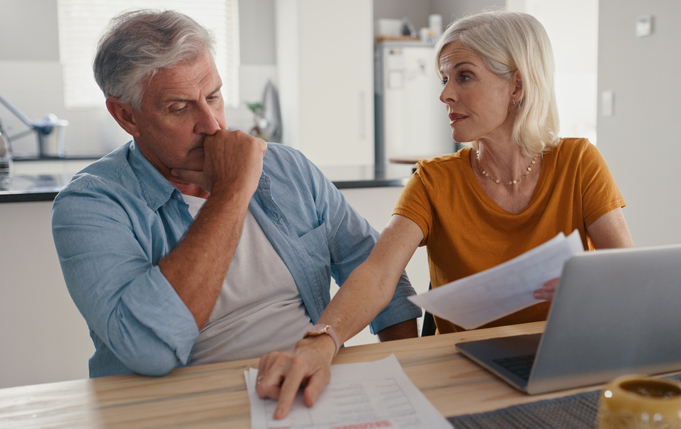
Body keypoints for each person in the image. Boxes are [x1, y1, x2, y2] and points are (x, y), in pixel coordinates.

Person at [256, 10, 634, 418]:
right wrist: (320, 341)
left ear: (516, 85)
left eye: (463, 76)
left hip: (564, 364)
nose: (445, 95)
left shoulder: (579, 162)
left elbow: (629, 275)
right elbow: (378, 274)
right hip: (463, 375)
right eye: (444, 79)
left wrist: (589, 291)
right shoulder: (434, 180)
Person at [51, 9, 420, 380]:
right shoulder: (90, 204)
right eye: (179, 108)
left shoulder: (287, 167)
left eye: (213, 96)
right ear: (126, 116)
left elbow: (382, 277)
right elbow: (149, 351)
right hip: (178, 403)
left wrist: (400, 375)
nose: (211, 124)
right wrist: (232, 190)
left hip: (304, 384)